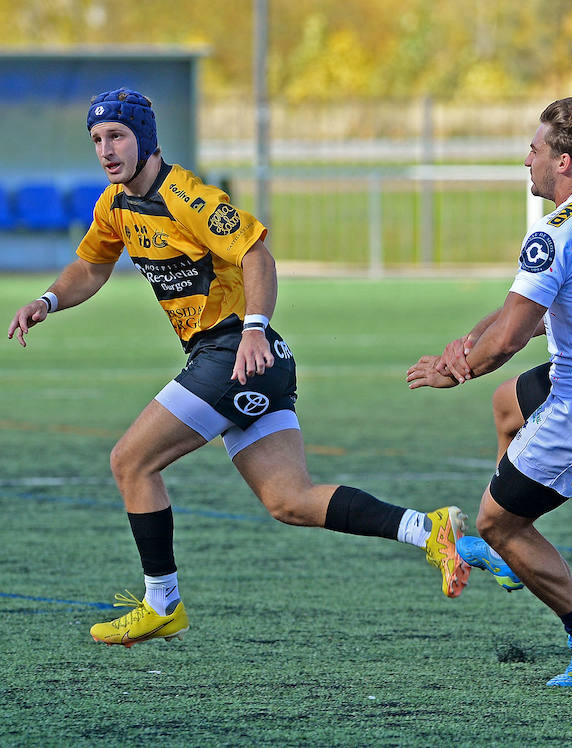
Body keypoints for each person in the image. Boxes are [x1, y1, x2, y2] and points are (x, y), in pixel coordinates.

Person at [6, 88, 477, 648]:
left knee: (130, 462)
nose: (106, 150)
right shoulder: (114, 206)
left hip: (234, 352)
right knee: (289, 500)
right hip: (253, 364)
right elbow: (90, 266)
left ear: (145, 140)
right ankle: (430, 531)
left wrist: (252, 327)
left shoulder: (188, 196)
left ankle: (162, 603)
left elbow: (256, 254)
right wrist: (48, 301)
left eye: (117, 137)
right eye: (97, 140)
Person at [405, 95, 572, 687]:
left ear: (565, 161)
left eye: (536, 148)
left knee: (496, 522)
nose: (528, 159)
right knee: (507, 405)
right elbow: (518, 311)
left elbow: (511, 339)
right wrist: (466, 341)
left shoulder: (555, 232)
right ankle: (511, 552)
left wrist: (457, 370)